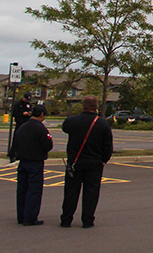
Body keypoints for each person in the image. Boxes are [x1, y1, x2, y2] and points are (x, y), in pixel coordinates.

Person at [60, 96, 113, 229]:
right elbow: (108, 146)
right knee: (91, 192)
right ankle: (87, 219)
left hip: (75, 162)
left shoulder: (72, 121)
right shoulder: (102, 124)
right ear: (96, 106)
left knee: (71, 191)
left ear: (83, 106)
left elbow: (64, 127)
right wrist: (104, 160)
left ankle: (66, 219)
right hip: (94, 162)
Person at [12, 104, 52, 226]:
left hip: (22, 161)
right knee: (34, 190)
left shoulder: (22, 127)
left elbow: (15, 144)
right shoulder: (41, 129)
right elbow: (48, 145)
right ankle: (30, 217)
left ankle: (21, 215)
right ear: (41, 115)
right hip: (35, 162)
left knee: (22, 190)